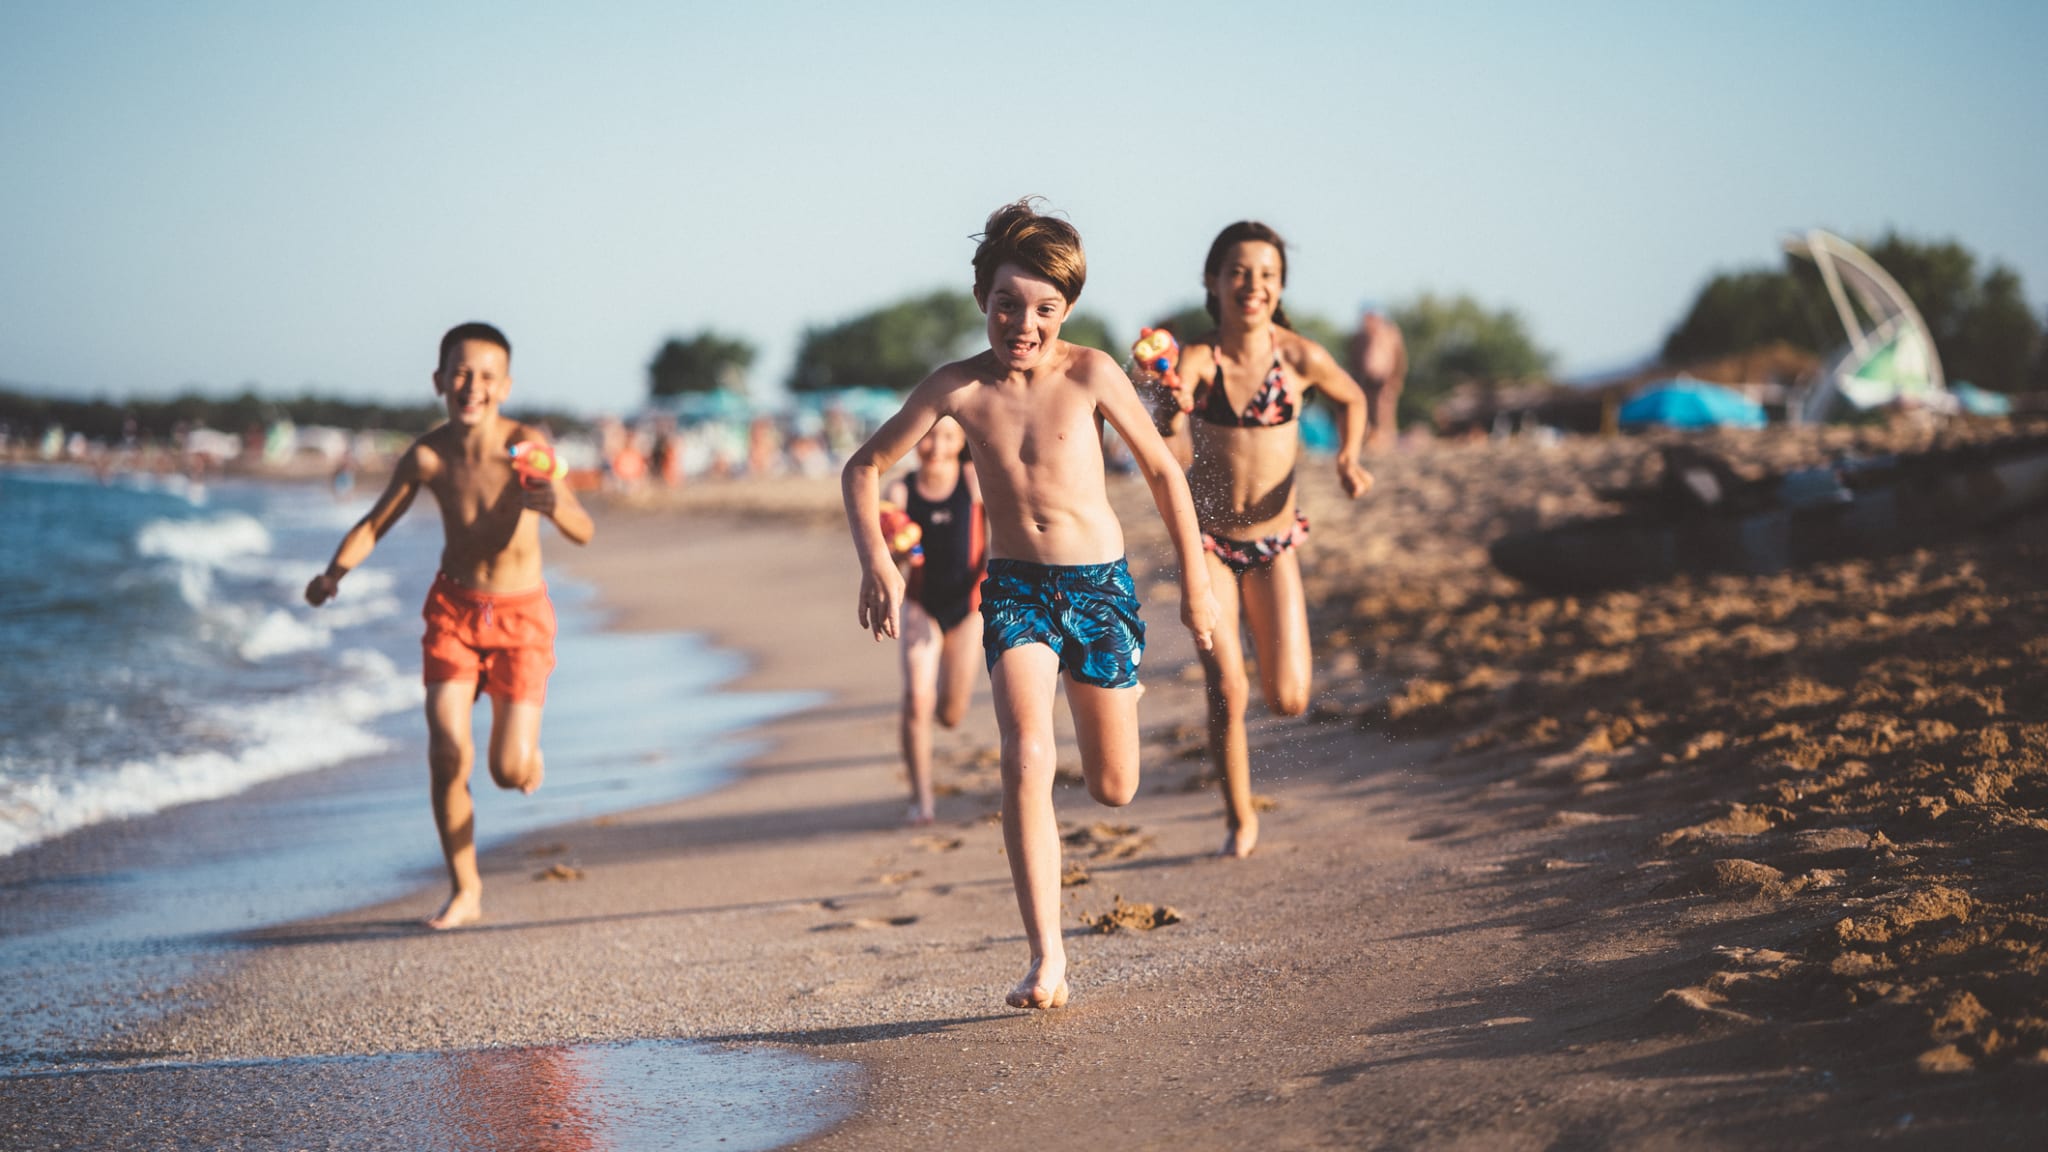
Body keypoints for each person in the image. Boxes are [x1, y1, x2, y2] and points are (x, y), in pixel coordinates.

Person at [842, 199, 1219, 1010]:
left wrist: (1196, 585)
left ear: (1067, 310)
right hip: (1015, 590)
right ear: (983, 297)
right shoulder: (957, 387)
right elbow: (863, 467)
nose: (1024, 323)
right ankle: (1047, 958)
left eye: (1045, 308)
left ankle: (1119, 693)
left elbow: (1163, 473)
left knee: (1114, 787)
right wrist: (877, 562)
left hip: (1098, 588)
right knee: (1025, 756)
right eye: (1008, 303)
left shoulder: (1091, 374)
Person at [305, 322, 594, 930]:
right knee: (446, 752)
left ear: (506, 387)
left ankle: (525, 758)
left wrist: (553, 504)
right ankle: (466, 888)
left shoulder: (527, 448)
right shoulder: (428, 456)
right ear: (438, 380)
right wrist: (334, 574)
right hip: (454, 613)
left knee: (507, 771)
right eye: (460, 373)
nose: (472, 386)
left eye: (487, 376)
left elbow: (583, 528)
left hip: (520, 617)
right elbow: (373, 524)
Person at [1141, 222, 1373, 858]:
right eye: (1239, 272)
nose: (1253, 285)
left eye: (1267, 274)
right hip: (1210, 543)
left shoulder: (1298, 357)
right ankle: (1239, 817)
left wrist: (1349, 457)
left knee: (1289, 699)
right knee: (1228, 688)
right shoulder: (1198, 359)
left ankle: (1246, 796)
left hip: (1274, 546)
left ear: (1281, 286)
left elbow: (1353, 398)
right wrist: (1168, 402)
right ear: (1214, 281)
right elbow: (1168, 436)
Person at [883, 416, 987, 826]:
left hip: (969, 608)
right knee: (916, 699)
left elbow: (1005, 535)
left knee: (950, 714)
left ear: (962, 439)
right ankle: (921, 799)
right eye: (928, 437)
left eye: (947, 437)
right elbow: (888, 561)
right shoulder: (899, 491)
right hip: (921, 604)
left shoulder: (974, 480)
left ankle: (945, 712)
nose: (936, 447)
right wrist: (896, 548)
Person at [1348, 306, 1408, 452]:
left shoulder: (1390, 333)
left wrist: (1396, 379)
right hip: (1366, 379)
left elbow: (1400, 358)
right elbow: (1355, 358)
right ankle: (1372, 441)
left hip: (1386, 379)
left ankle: (1387, 443)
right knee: (1368, 410)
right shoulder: (1361, 336)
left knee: (1384, 411)